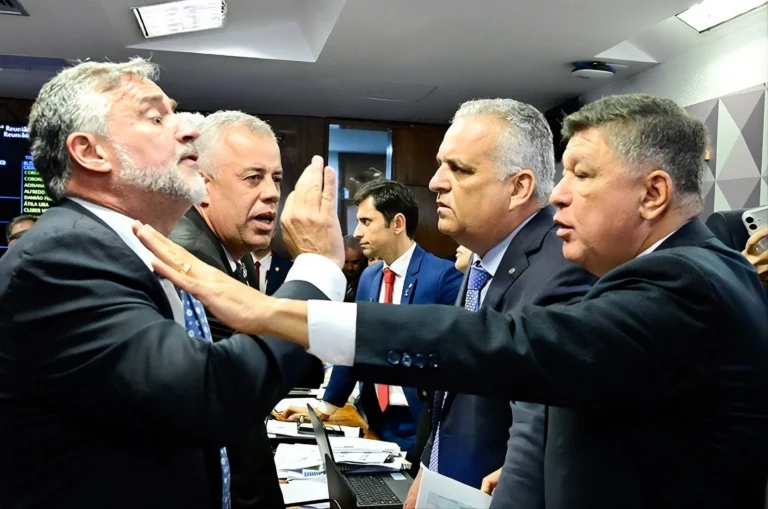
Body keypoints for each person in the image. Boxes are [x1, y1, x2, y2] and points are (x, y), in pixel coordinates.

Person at [139, 94, 768, 509]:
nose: (559, 194)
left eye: (582, 174)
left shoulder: (685, 283)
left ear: (653, 193)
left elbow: (509, 348)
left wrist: (277, 312)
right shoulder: (682, 273)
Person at [0, 58, 345, 509]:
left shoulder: (127, 249)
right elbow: (207, 395)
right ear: (90, 152)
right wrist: (316, 270)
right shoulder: (63, 256)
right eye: (156, 118)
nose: (189, 130)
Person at [401, 99, 595, 508]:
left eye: (459, 169)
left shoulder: (562, 271)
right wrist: (428, 466)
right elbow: (453, 391)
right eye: (440, 165)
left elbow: (538, 424)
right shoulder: (482, 259)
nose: (435, 182)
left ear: (518, 188)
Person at [168, 110, 320, 508]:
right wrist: (318, 267)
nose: (271, 193)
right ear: (202, 186)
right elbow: (235, 389)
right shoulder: (191, 257)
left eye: (276, 179)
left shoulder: (229, 256)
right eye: (253, 178)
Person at [287, 179, 462, 469]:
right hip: (375, 419)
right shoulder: (370, 277)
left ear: (398, 223)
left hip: (422, 424)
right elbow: (354, 344)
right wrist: (323, 408)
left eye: (366, 221)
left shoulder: (442, 276)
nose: (357, 232)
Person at [342, 235, 366, 302]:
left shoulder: (369, 279)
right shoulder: (335, 278)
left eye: (355, 262)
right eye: (345, 262)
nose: (350, 267)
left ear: (363, 258)